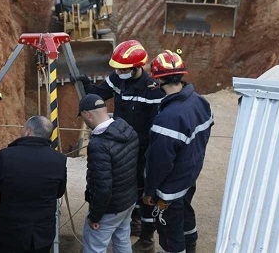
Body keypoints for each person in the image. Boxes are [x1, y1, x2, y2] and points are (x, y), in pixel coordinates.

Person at [74, 40, 165, 246]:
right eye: (118, 69)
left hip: (141, 148)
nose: (119, 72)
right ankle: (128, 218)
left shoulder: (152, 90)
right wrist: (87, 85)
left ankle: (145, 235)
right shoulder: (118, 79)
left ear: (137, 67)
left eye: (124, 69)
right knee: (121, 184)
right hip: (120, 142)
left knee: (142, 190)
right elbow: (101, 94)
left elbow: (155, 126)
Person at [143, 50, 213, 253]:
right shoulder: (200, 102)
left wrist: (149, 191)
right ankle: (191, 247)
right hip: (188, 177)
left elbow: (159, 163)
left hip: (169, 189)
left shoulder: (168, 118)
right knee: (186, 215)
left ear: (157, 81)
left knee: (169, 233)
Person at [0, 115, 67, 253]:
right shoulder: (59, 159)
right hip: (42, 233)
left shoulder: (6, 156)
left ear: (28, 131)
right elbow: (59, 192)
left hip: (11, 231)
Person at [78, 94, 139, 253]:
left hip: (110, 208)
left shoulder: (99, 145)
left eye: (82, 116)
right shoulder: (127, 129)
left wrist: (95, 216)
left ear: (87, 114)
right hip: (128, 200)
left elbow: (103, 187)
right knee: (122, 238)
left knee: (94, 246)